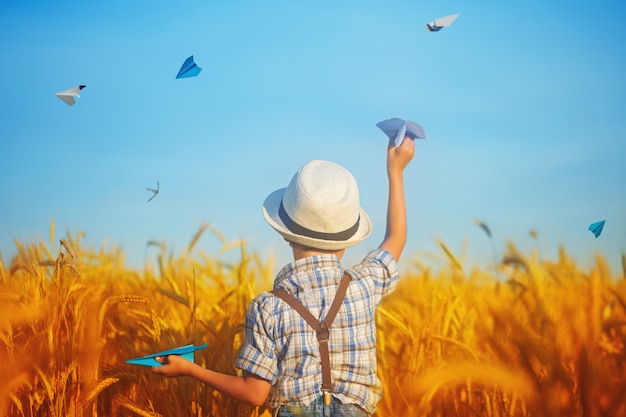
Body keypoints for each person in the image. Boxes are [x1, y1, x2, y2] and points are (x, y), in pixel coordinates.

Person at [153, 133, 415, 416]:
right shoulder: (364, 285)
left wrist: (191, 370)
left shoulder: (268, 307)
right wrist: (396, 170)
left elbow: (255, 394)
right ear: (346, 242)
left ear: (286, 235)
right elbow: (396, 238)